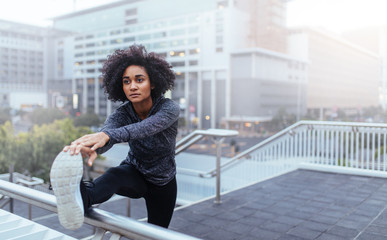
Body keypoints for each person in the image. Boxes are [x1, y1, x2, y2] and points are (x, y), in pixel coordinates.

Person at [49, 44, 179, 230]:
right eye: (126, 81)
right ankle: (78, 195)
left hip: (164, 183)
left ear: (153, 83)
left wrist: (107, 136)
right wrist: (89, 148)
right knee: (114, 175)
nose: (132, 86)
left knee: (157, 233)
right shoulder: (121, 114)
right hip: (135, 173)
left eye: (139, 80)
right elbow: (106, 136)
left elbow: (145, 128)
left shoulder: (168, 109)